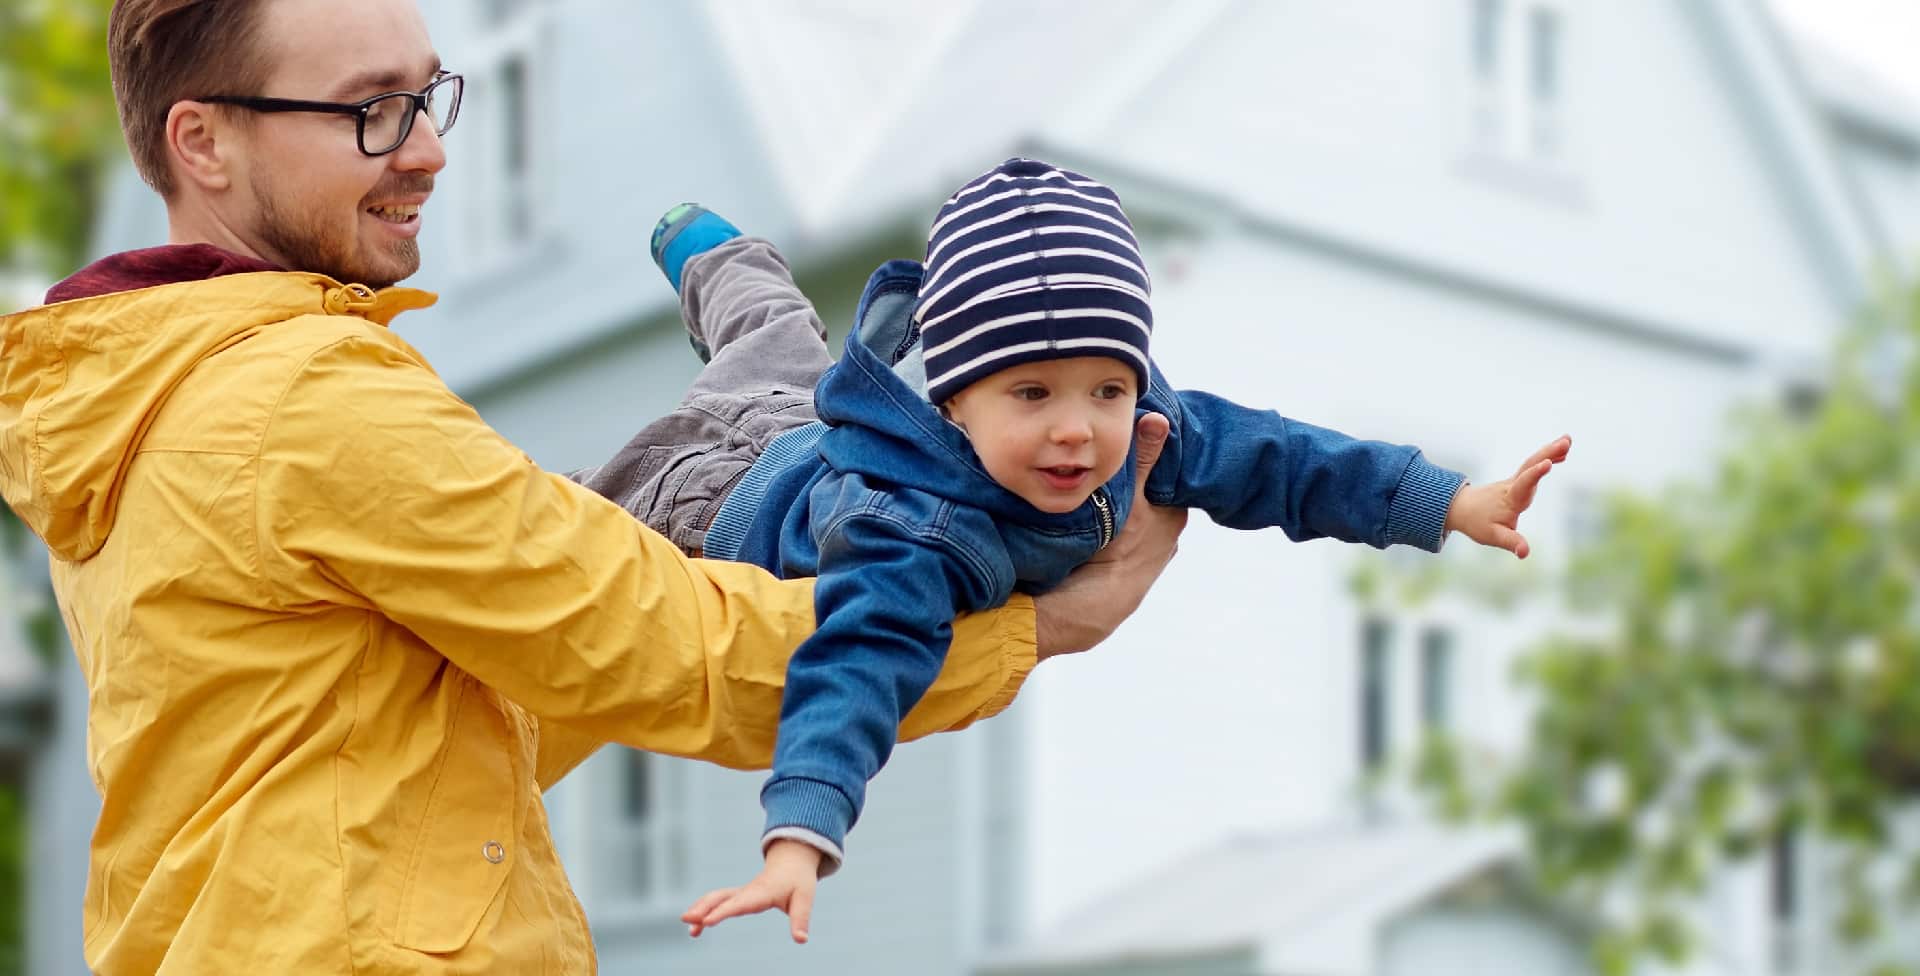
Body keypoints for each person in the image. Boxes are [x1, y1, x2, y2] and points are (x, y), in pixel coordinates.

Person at [0, 4, 1186, 973]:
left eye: (427, 95)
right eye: (371, 110)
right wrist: (1034, 626)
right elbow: (671, 649)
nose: (427, 148)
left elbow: (434, 723)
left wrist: (669, 531)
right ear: (202, 142)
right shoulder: (302, 400)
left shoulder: (137, 394)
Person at [590, 157, 1573, 943]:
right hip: (719, 498)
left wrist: (1446, 502)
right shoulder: (914, 530)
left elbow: (1286, 458)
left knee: (777, 344)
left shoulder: (1143, 429)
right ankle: (713, 253)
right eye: (1033, 396)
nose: (1078, 433)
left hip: (818, 430)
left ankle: (717, 256)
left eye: (1104, 388)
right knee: (723, 387)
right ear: (953, 397)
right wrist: (799, 835)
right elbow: (854, 665)